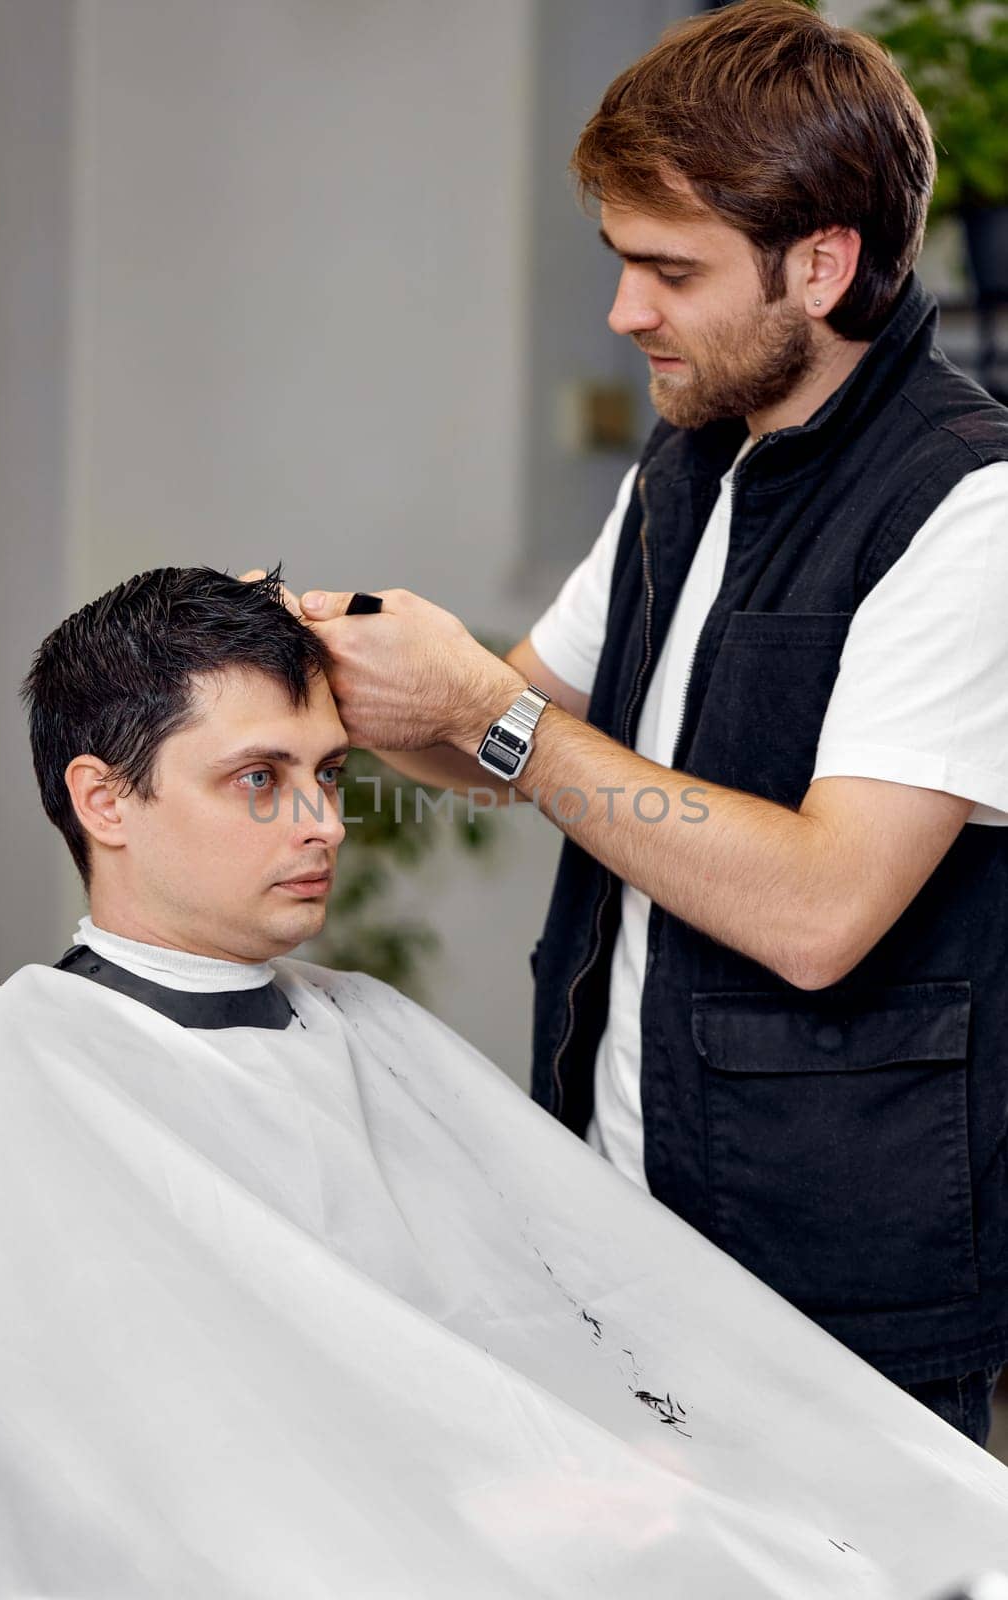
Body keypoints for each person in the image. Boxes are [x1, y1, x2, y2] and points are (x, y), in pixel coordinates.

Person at [0, 563, 1008, 1596]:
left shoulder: (364, 1028)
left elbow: (539, 1332)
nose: (323, 823)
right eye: (260, 778)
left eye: (327, 773)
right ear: (105, 799)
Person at [289, 0, 1008, 1447]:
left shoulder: (971, 510)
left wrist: (493, 717)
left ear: (818, 266)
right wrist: (319, 682)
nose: (623, 313)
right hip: (621, 1214)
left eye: (664, 271)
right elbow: (503, 742)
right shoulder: (685, 467)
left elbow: (820, 908)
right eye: (619, 261)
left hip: (843, 1290)